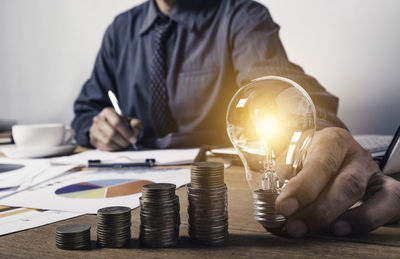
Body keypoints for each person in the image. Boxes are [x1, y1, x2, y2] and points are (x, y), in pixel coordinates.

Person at [71, 0, 400, 238]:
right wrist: (97, 127)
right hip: (138, 186)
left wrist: (318, 131)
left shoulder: (241, 15)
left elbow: (273, 80)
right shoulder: (120, 30)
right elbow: (85, 110)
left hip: (223, 189)